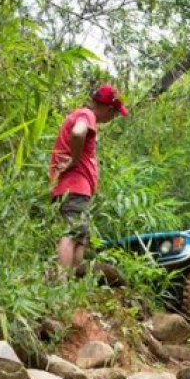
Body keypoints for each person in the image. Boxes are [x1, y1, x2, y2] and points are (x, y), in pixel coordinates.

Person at [49, 84, 128, 271]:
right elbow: (78, 133)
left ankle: (74, 283)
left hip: (75, 188)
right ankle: (61, 282)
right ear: (109, 109)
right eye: (114, 114)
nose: (113, 118)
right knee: (72, 232)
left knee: (81, 234)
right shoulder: (87, 115)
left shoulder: (82, 114)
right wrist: (74, 161)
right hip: (74, 185)